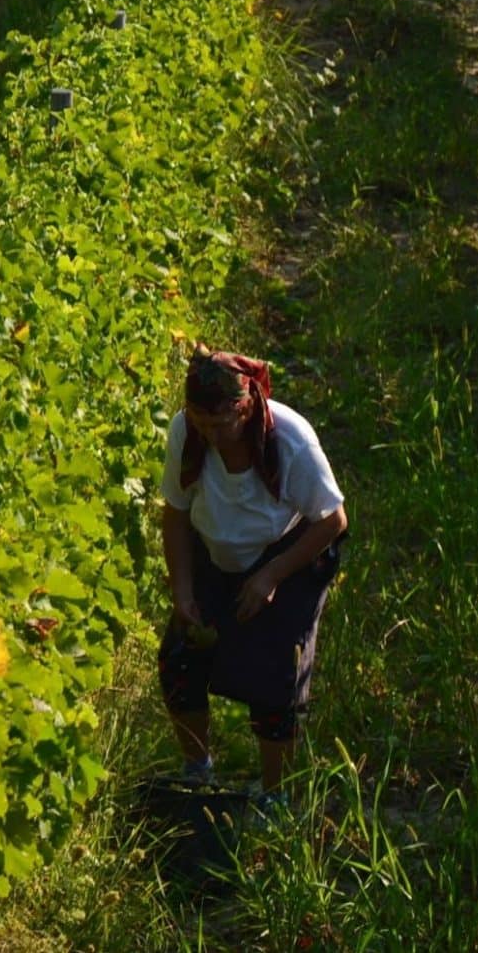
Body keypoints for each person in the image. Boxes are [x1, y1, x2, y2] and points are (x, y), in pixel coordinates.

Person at [157, 345, 347, 807]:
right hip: (215, 549)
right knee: (180, 660)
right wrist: (182, 588)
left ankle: (274, 795)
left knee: (273, 678)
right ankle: (197, 772)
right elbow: (176, 514)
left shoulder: (289, 441)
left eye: (221, 424)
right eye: (202, 423)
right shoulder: (188, 433)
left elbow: (332, 520)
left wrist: (271, 577)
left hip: (287, 551)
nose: (212, 435)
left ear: (244, 405)